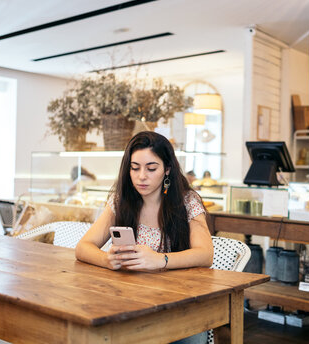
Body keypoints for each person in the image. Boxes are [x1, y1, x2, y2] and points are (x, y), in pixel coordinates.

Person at [76, 131, 213, 344]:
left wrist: (161, 259)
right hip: (129, 301)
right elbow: (83, 247)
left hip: (178, 305)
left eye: (151, 168)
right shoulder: (120, 201)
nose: (141, 176)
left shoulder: (187, 201)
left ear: (167, 169)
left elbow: (206, 254)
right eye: (135, 168)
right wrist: (107, 260)